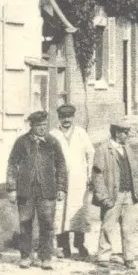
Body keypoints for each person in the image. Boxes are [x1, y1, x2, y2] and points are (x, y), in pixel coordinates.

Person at [6, 111, 67, 270]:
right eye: (39, 125)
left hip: (47, 191)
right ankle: (26, 256)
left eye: (45, 125)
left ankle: (45, 257)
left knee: (47, 224)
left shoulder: (52, 142)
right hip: (26, 191)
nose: (42, 129)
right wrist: (12, 188)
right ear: (31, 126)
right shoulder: (22, 142)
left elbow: (61, 165)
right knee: (25, 223)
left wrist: (61, 188)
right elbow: (12, 165)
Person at [90, 117, 138, 269]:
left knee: (128, 227)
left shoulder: (128, 148)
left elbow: (134, 172)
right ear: (116, 133)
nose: (127, 135)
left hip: (128, 195)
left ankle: (129, 256)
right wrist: (103, 196)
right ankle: (104, 256)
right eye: (125, 132)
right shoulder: (103, 149)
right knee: (108, 226)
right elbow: (97, 175)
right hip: (113, 195)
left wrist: (136, 191)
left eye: (128, 132)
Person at [50, 104, 95, 260]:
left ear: (73, 117)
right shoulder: (53, 134)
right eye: (63, 117)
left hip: (79, 180)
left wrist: (90, 175)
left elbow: (90, 154)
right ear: (59, 118)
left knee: (79, 213)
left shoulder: (81, 133)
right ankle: (63, 246)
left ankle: (79, 244)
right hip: (59, 181)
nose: (66, 120)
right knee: (60, 213)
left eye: (69, 116)